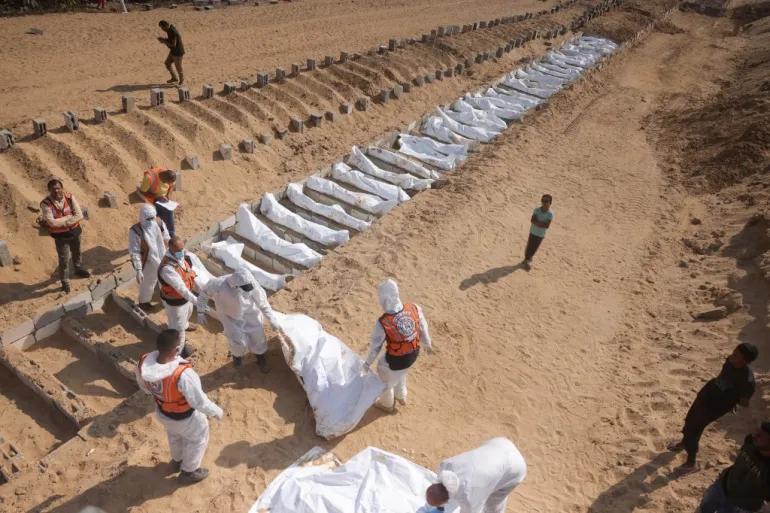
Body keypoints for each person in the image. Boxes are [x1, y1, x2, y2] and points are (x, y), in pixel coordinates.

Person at [136, 329, 223, 485]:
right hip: (185, 417)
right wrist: (216, 411)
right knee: (198, 438)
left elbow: (144, 386)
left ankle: (177, 461)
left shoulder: (144, 364)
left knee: (175, 435)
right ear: (177, 349)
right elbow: (199, 402)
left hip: (163, 412)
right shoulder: (183, 374)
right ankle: (189, 472)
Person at [668, 343, 758, 475]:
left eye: (736, 356)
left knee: (694, 428)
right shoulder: (730, 361)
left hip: (716, 406)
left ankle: (691, 463)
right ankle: (684, 443)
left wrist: (730, 399)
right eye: (734, 352)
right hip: (707, 393)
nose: (732, 356)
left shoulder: (747, 382)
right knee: (689, 419)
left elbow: (744, 402)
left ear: (745, 361)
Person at [363, 279, 433, 413]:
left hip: (395, 361)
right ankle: (401, 395)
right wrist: (426, 343)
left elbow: (375, 348)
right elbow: (423, 326)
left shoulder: (383, 323)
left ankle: (387, 404)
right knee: (400, 373)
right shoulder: (414, 307)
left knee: (385, 381)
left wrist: (367, 364)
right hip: (413, 354)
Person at [196, 266, 280, 372]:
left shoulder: (252, 284)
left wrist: (271, 319)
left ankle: (260, 358)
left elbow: (262, 302)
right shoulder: (217, 284)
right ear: (236, 284)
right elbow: (203, 294)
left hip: (251, 314)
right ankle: (237, 357)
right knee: (238, 342)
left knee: (258, 337)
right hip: (230, 317)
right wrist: (200, 311)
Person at [426, 437, 527, 513]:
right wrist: (440, 508)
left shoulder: (469, 498)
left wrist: (441, 506)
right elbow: (440, 493)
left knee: (493, 504)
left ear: (445, 500)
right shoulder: (445, 465)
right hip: (499, 443)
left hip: (514, 467)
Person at [696, 423, 770, 513]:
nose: (755, 435)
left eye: (760, 436)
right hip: (722, 486)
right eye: (757, 431)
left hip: (742, 505)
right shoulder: (750, 441)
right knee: (703, 509)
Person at [40, 178, 90, 293]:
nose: (56, 191)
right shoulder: (46, 204)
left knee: (77, 252)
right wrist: (69, 218)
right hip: (61, 237)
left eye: (58, 188)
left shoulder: (69, 197)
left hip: (75, 232)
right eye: (53, 189)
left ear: (62, 188)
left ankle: (78, 269)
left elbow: (79, 215)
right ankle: (65, 281)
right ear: (49, 190)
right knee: (64, 260)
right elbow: (52, 223)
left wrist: (64, 222)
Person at [158, 236, 199, 358]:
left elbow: (188, 274)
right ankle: (179, 352)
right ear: (170, 249)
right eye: (178, 250)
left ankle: (185, 324)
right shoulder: (167, 269)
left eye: (182, 249)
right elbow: (181, 288)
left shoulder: (181, 257)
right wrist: (197, 301)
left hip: (185, 298)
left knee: (188, 312)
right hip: (175, 302)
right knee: (177, 328)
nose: (182, 252)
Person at [129, 204, 170, 312]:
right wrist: (138, 269)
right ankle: (144, 302)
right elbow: (135, 252)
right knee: (148, 283)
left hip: (163, 259)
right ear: (142, 217)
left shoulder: (159, 223)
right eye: (148, 219)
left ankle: (167, 302)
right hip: (149, 262)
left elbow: (166, 237)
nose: (151, 221)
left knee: (166, 282)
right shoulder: (136, 231)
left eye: (153, 218)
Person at [139, 167, 178, 238]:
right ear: (164, 179)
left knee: (167, 211)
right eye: (167, 183)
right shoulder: (149, 177)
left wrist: (168, 195)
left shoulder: (168, 174)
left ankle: (167, 233)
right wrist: (157, 197)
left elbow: (172, 186)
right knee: (167, 211)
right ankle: (171, 235)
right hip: (152, 198)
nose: (168, 184)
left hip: (163, 198)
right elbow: (142, 191)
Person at [523, 194, 554, 271]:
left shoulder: (550, 214)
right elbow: (532, 220)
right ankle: (527, 259)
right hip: (533, 232)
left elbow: (547, 225)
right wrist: (540, 224)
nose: (544, 203)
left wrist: (537, 223)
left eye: (546, 201)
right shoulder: (537, 209)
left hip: (540, 234)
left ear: (550, 203)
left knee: (535, 247)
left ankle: (528, 259)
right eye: (543, 201)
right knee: (529, 245)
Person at [158, 20, 185, 86]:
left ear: (167, 25)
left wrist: (164, 41)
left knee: (178, 68)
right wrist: (164, 39)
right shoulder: (169, 30)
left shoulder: (173, 32)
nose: (162, 29)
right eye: (161, 28)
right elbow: (170, 41)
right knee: (167, 63)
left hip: (178, 53)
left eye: (163, 28)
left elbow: (173, 44)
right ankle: (174, 78)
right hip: (173, 51)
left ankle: (181, 81)